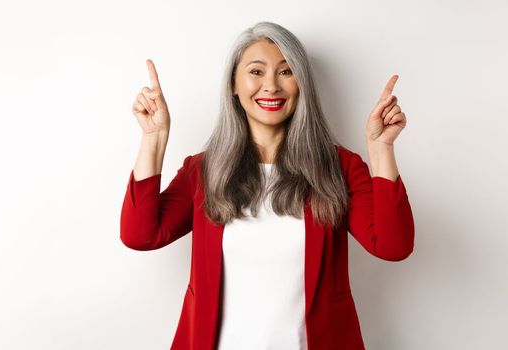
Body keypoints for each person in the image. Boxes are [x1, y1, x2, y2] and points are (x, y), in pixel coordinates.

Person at [120, 21, 414, 350]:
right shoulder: (203, 170)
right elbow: (140, 235)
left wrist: (381, 149)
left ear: (302, 84)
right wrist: (154, 138)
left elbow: (392, 246)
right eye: (256, 72)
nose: (271, 86)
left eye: (286, 71)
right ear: (233, 84)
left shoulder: (339, 167)